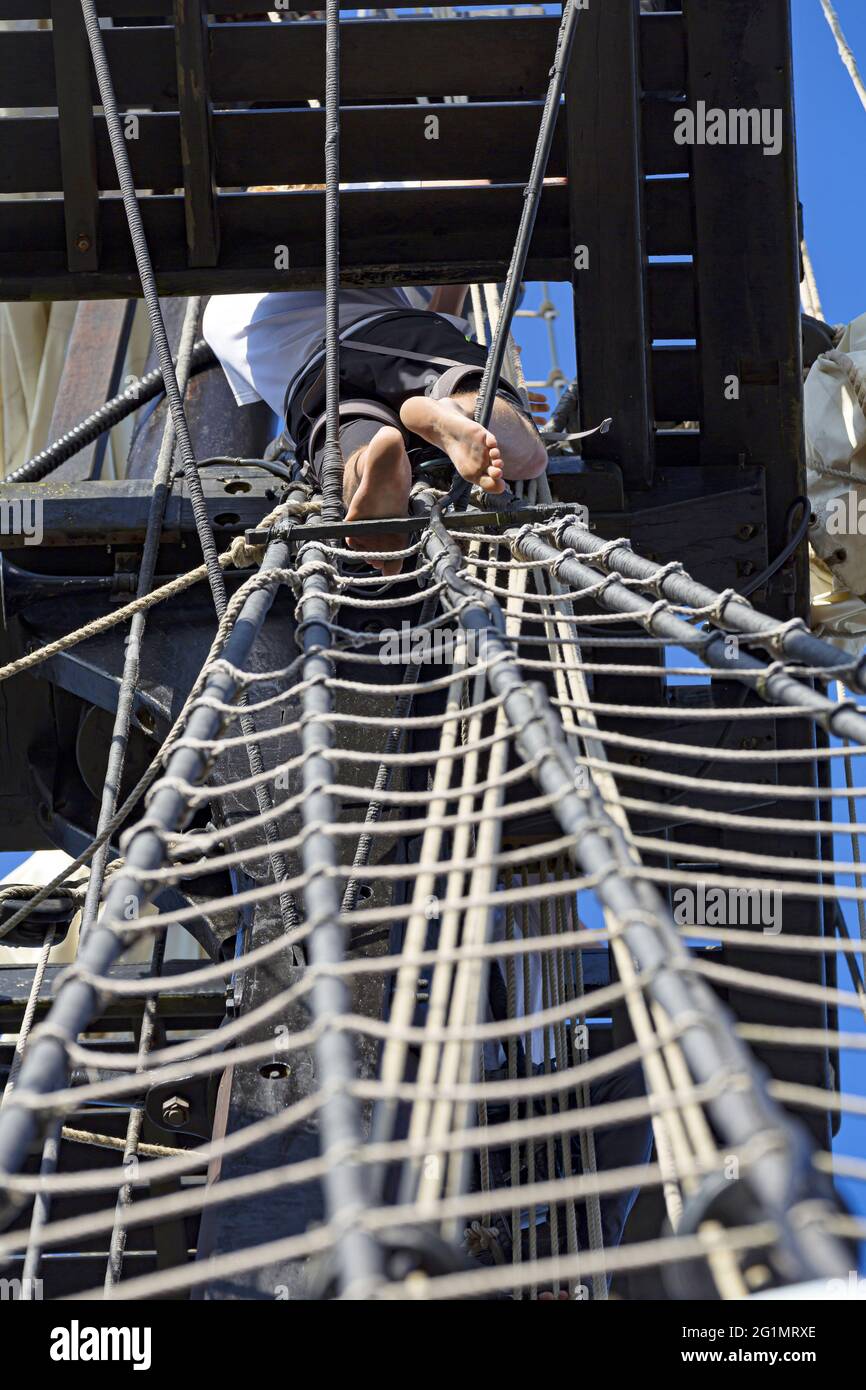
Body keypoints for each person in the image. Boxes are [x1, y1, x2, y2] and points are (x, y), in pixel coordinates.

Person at [203, 285, 547, 574]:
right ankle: (454, 409)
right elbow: (438, 314)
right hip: (384, 331)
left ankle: (369, 464)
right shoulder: (351, 258)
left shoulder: (217, 318)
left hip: (308, 384)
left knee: (347, 445)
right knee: (527, 455)